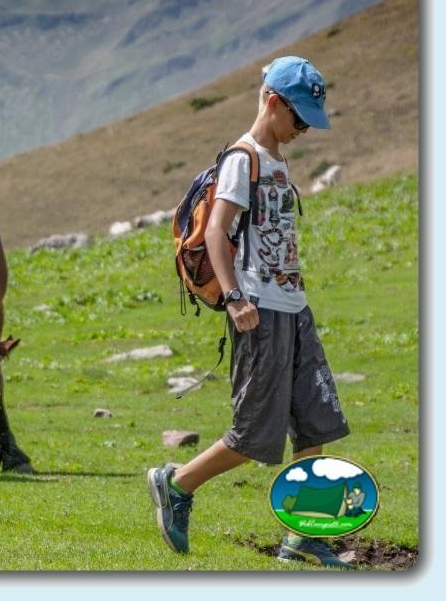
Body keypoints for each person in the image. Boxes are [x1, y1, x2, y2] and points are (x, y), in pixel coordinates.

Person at [147, 56, 353, 568]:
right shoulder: (245, 159)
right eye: (298, 116)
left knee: (316, 423)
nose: (304, 128)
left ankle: (304, 533)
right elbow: (217, 230)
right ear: (271, 101)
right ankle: (176, 483)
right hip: (259, 311)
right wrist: (236, 299)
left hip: (294, 308)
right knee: (253, 436)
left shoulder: (279, 159)